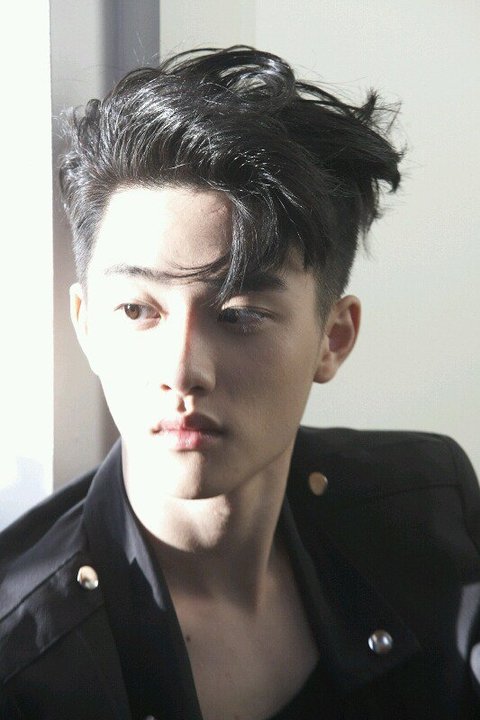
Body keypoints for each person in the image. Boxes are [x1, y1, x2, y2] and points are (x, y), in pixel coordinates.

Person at [0, 46, 479, 720]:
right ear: (86, 326)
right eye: (137, 311)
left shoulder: (427, 506)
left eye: (240, 314)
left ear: (333, 338)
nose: (182, 370)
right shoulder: (22, 657)